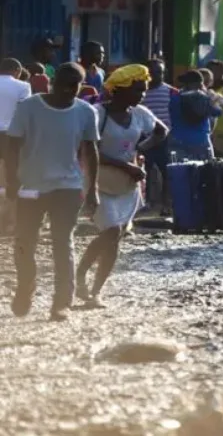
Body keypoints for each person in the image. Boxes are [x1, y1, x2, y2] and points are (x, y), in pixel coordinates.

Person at [5, 62, 100, 321]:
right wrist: (11, 179)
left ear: (80, 87)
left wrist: (92, 190)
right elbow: (12, 144)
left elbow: (90, 151)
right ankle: (26, 287)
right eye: (63, 84)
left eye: (74, 86)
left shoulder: (85, 111)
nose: (67, 90)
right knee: (25, 242)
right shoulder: (29, 107)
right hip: (30, 186)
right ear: (52, 81)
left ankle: (61, 303)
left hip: (67, 187)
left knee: (63, 242)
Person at [76, 65, 167, 308]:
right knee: (111, 231)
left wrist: (140, 150)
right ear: (119, 90)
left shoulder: (140, 114)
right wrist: (126, 165)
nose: (142, 95)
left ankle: (96, 291)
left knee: (114, 239)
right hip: (99, 181)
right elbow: (87, 150)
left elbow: (161, 131)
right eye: (138, 90)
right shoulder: (97, 113)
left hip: (128, 186)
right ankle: (80, 274)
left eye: (144, 91)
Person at [141, 59, 176, 215]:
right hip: (144, 138)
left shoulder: (171, 92)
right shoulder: (140, 92)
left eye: (159, 72)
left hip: (165, 138)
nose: (156, 75)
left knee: (167, 171)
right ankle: (146, 202)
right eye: (152, 72)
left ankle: (166, 204)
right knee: (144, 171)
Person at [169, 70, 222, 161]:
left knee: (179, 172)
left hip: (178, 140)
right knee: (205, 172)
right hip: (201, 141)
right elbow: (218, 112)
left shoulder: (175, 98)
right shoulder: (206, 98)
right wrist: (213, 100)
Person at [0, 59, 31, 181]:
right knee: (13, 167)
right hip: (11, 133)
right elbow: (24, 110)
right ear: (17, 71)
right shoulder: (23, 86)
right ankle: (11, 195)